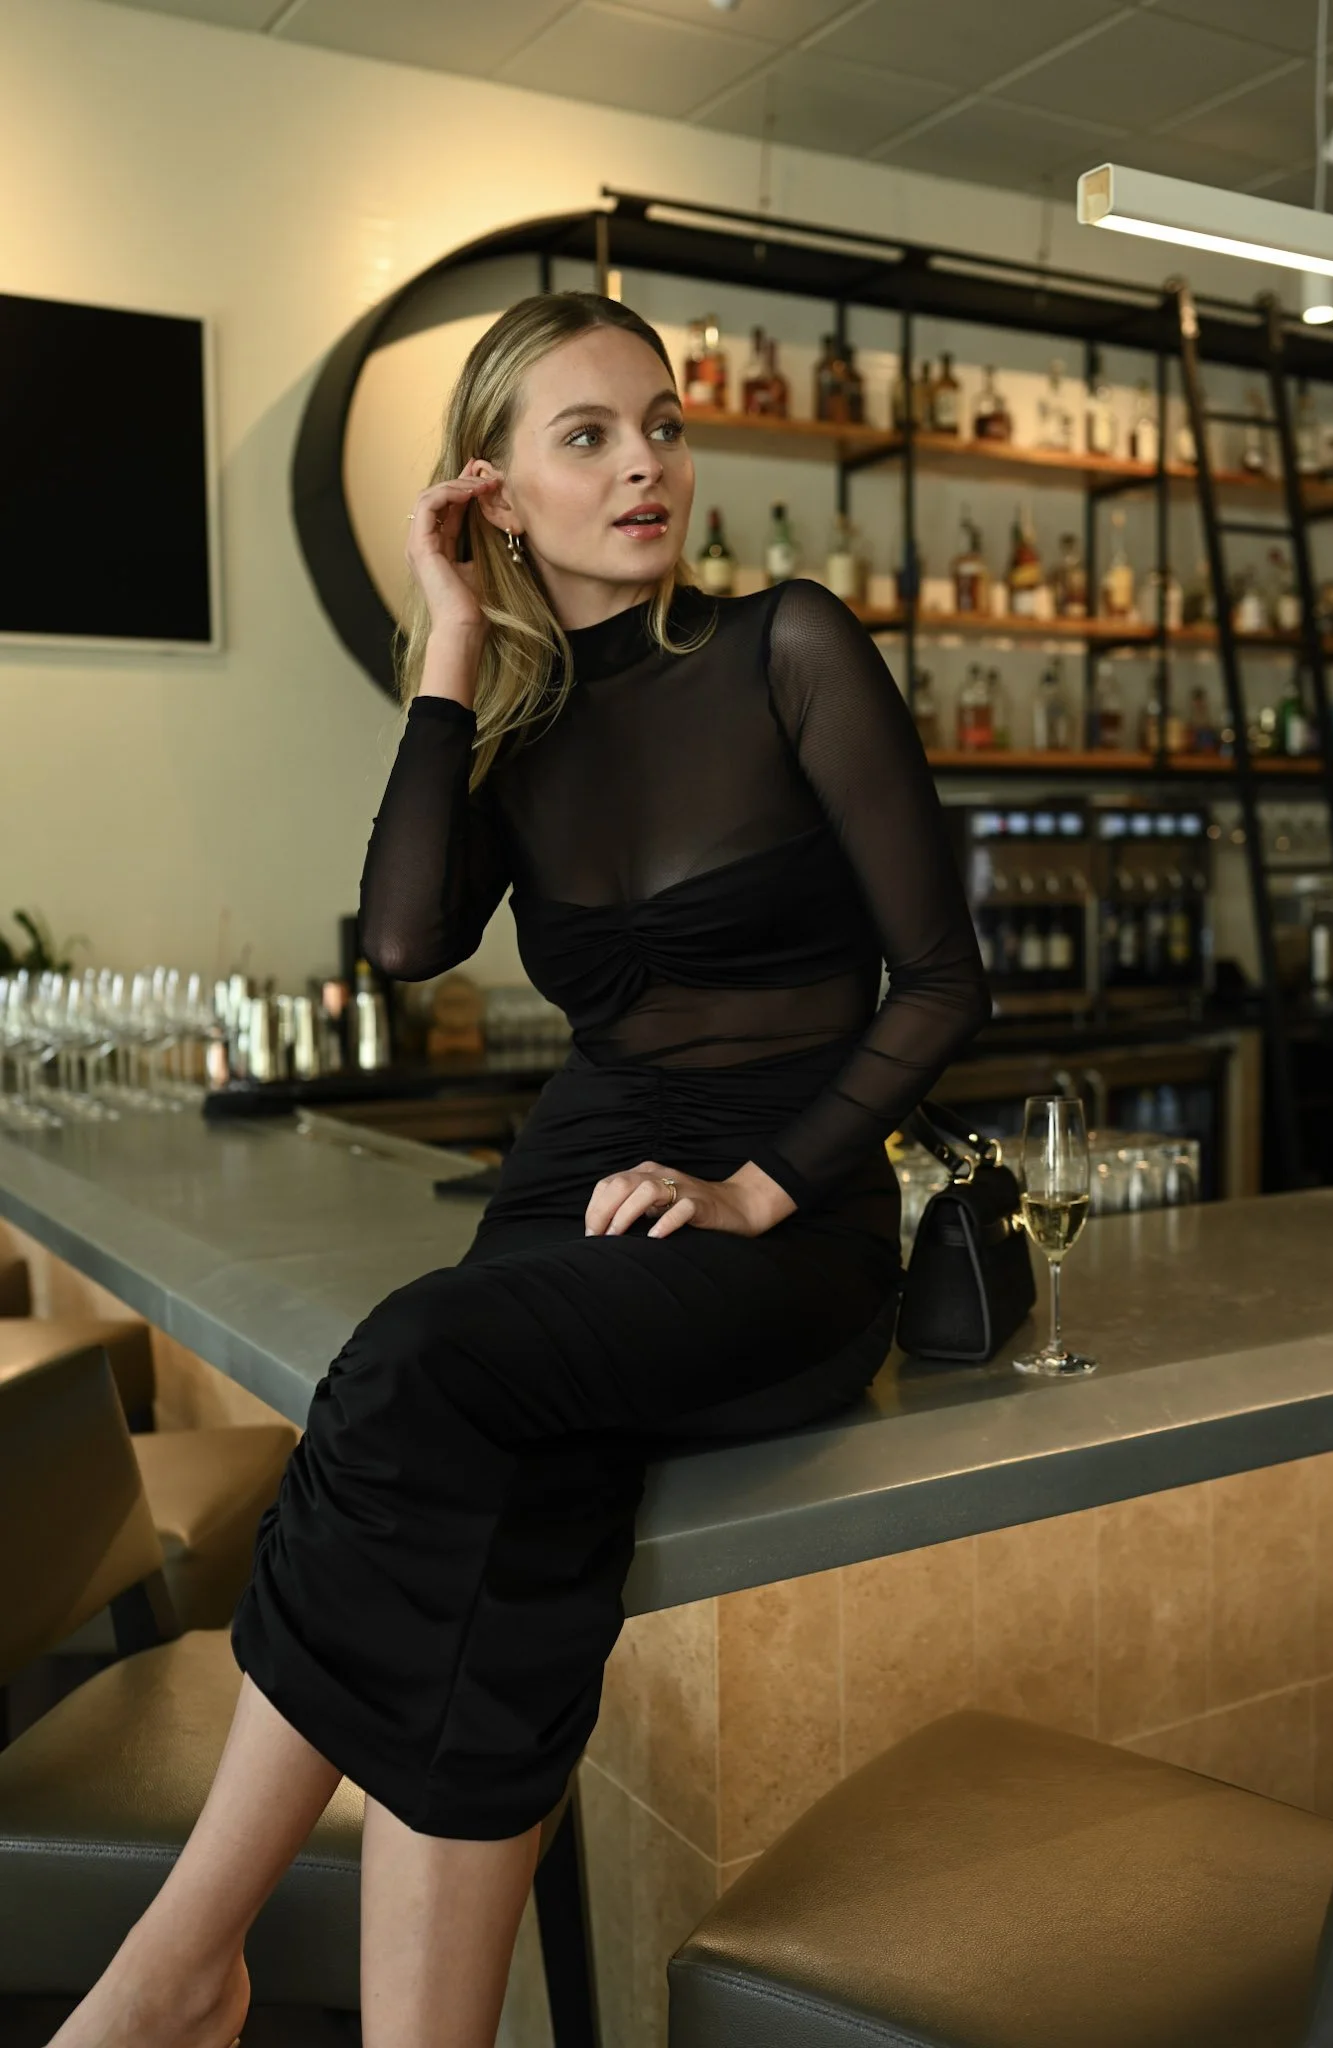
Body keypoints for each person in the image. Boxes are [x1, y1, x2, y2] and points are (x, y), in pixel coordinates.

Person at [47, 291, 990, 2048]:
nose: (647, 464)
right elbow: (407, 939)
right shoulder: (518, 723)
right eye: (589, 436)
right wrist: (450, 634)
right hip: (580, 1190)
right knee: (506, 1523)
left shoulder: (789, 644)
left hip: (780, 1221)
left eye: (664, 423)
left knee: (410, 1365)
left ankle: (182, 1966)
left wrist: (759, 1188)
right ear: (496, 491)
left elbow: (943, 980)